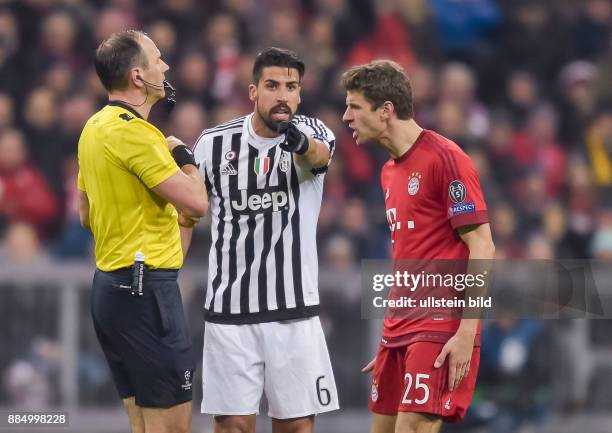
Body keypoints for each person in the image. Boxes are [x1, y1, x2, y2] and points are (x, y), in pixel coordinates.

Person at [341, 60, 495, 433]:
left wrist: (466, 332)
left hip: (440, 323)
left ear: (386, 110)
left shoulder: (446, 158)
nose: (346, 117)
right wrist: (389, 335)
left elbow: (483, 246)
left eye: (355, 107)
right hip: (399, 326)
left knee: (411, 427)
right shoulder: (389, 170)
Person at [191, 47, 339, 433]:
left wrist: (298, 144)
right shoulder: (213, 144)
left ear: (300, 94)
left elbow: (319, 157)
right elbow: (189, 210)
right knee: (234, 426)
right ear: (253, 90)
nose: (282, 95)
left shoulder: (314, 133)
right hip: (229, 311)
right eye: (272, 85)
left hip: (293, 310)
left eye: (291, 86)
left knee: (295, 428)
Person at [77, 30, 208, 433]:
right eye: (157, 59)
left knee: (143, 425)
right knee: (170, 427)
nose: (165, 66)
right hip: (145, 291)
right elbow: (197, 202)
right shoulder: (138, 134)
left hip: (112, 289)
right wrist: (185, 157)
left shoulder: (93, 128)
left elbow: (87, 216)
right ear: (138, 76)